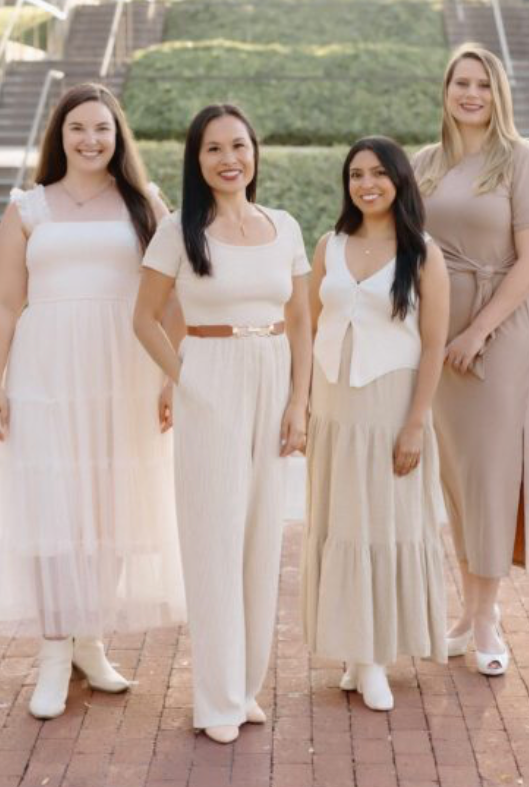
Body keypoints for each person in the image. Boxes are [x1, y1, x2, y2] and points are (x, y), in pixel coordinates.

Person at [0, 84, 185, 719]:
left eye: (102, 129)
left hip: (125, 369)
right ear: (60, 136)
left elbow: (173, 298)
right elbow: (1, 301)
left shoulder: (146, 204)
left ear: (118, 136)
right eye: (78, 128)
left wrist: (171, 375)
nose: (90, 140)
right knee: (55, 509)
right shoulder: (30, 207)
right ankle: (54, 655)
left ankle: (91, 642)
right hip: (47, 368)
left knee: (111, 508)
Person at [132, 104, 312, 745]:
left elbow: (300, 322)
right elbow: (145, 319)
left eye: (239, 145)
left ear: (254, 153)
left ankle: (244, 687)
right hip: (210, 376)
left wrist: (299, 400)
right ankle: (214, 700)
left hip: (272, 377)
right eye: (214, 149)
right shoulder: (181, 230)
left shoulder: (283, 226)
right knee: (213, 540)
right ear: (197, 160)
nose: (229, 158)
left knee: (263, 536)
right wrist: (184, 379)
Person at [414, 44, 529, 677]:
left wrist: (478, 333)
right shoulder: (424, 163)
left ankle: (488, 614)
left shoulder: (522, 162)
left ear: (499, 94)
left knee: (491, 473)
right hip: (433, 330)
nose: (470, 94)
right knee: (453, 474)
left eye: (482, 84)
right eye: (459, 83)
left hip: (497, 332)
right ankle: (466, 614)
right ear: (445, 90)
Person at [302, 137, 449, 712]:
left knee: (382, 524)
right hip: (334, 409)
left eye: (379, 174)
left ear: (400, 180)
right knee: (340, 523)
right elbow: (310, 326)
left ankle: (374, 658)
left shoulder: (423, 253)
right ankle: (354, 652)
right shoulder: (329, 246)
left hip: (391, 406)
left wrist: (416, 424)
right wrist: (304, 404)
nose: (367, 184)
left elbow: (434, 344)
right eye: (356, 174)